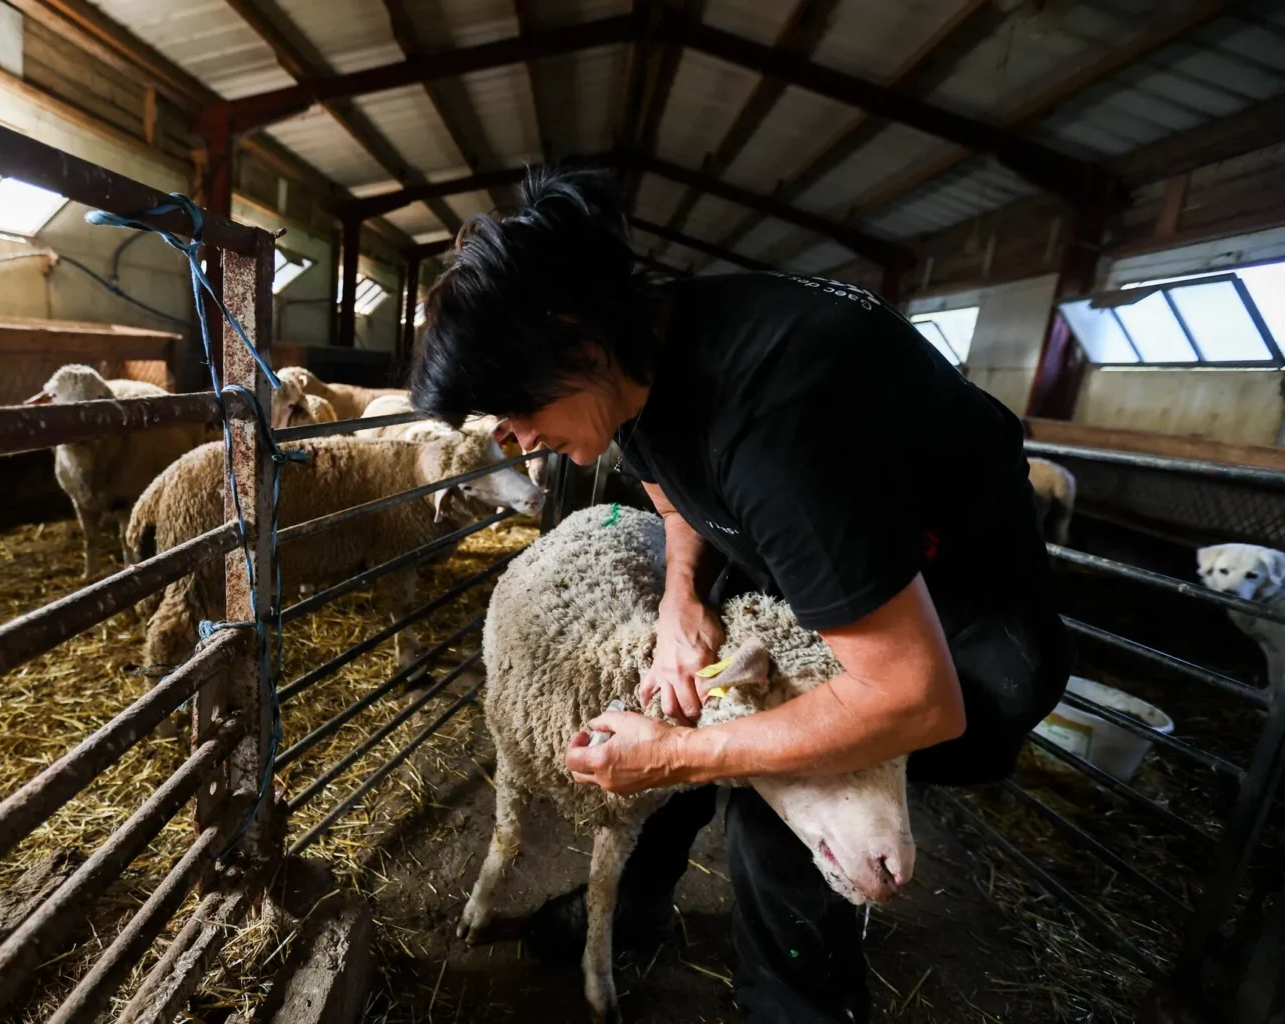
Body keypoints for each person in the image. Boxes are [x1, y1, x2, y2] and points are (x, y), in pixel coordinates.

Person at [409, 165, 1071, 1023]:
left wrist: (675, 758)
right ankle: (636, 910)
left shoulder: (779, 420)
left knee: (768, 809)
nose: (519, 439)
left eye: (516, 413)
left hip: (968, 624)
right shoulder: (639, 362)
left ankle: (793, 1008)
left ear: (577, 344)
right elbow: (670, 486)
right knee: (700, 712)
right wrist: (684, 597)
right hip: (823, 566)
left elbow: (915, 697)